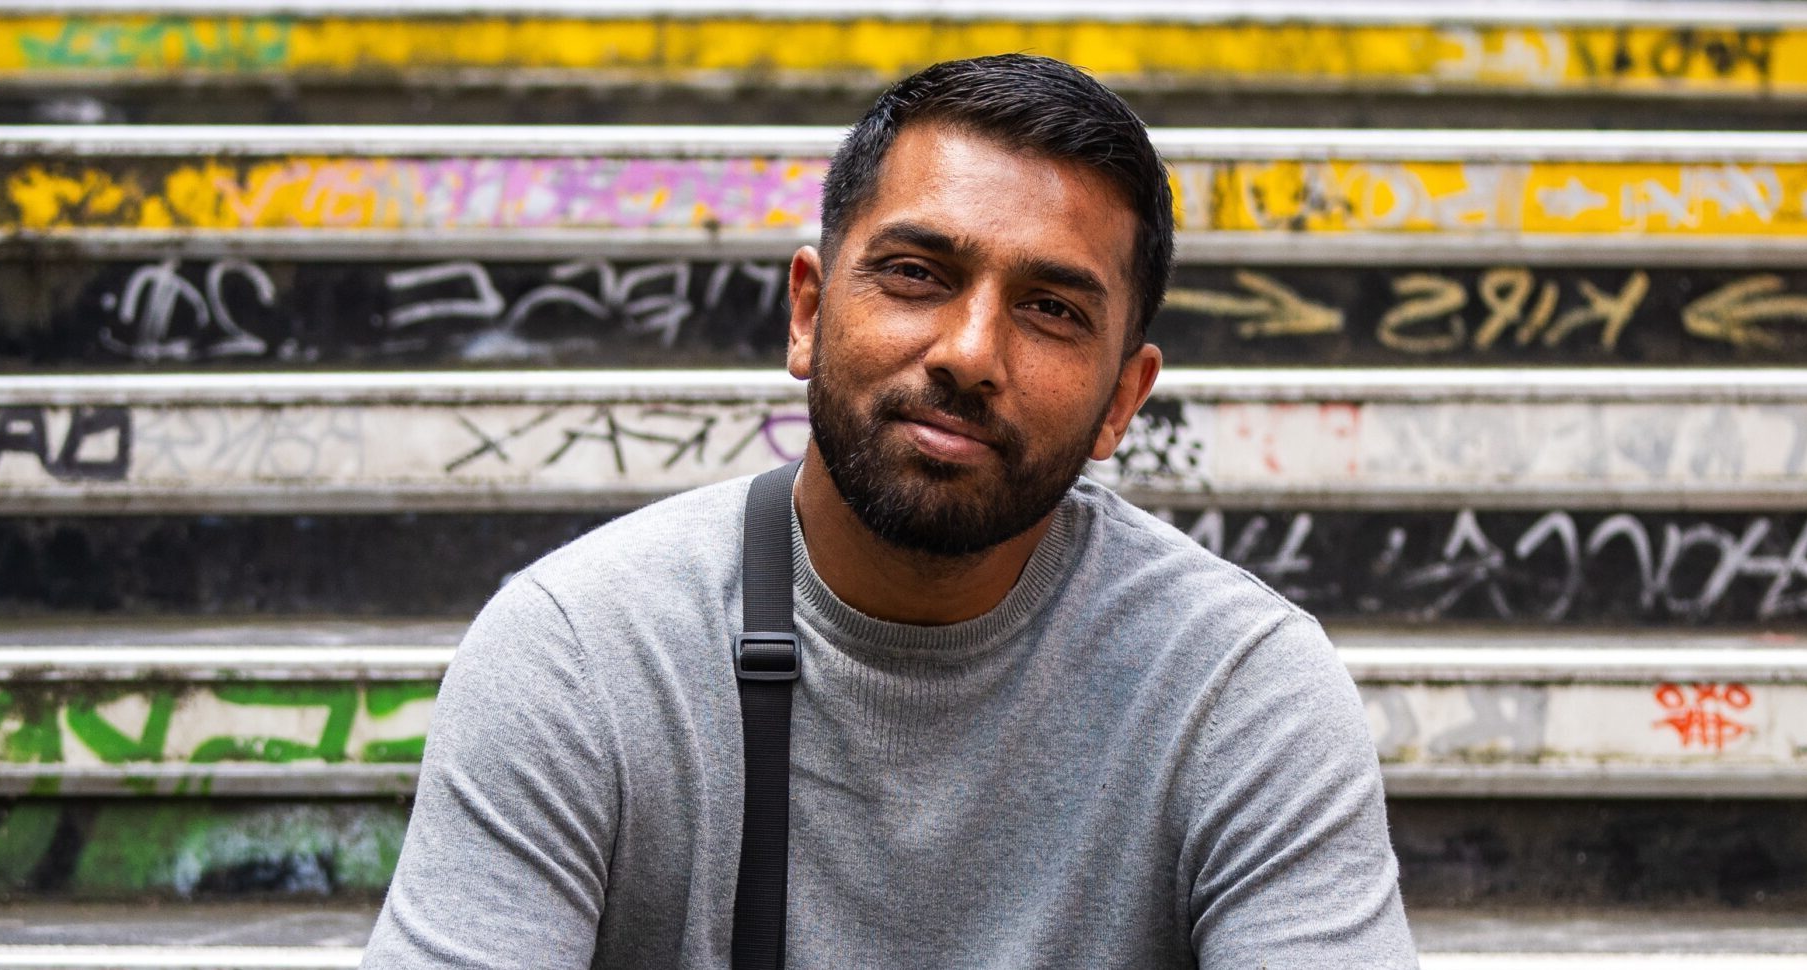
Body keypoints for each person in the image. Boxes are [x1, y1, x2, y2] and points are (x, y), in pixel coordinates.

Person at [363, 54, 1415, 969]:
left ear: (1121, 403)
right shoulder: (578, 654)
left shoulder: (1240, 690)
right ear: (809, 314)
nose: (968, 352)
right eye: (917, 273)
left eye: (1051, 309)